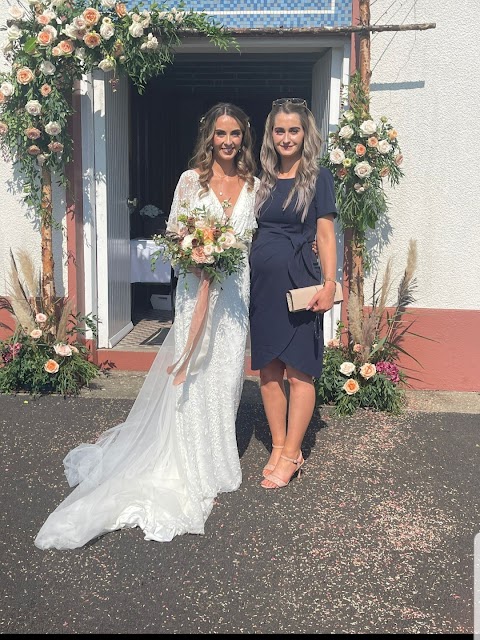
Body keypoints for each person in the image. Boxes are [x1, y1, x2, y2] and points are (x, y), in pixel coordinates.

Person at [34, 103, 259, 549]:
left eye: (235, 134)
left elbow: (252, 238)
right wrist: (198, 257)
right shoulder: (190, 181)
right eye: (220, 133)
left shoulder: (253, 184)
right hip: (196, 288)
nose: (228, 142)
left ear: (243, 138)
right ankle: (188, 466)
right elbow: (175, 233)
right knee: (191, 375)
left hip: (234, 295)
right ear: (209, 137)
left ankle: (216, 462)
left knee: (226, 375)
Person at [249, 97, 337, 489]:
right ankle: (280, 445)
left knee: (300, 372)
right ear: (271, 135)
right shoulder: (262, 180)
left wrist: (330, 285)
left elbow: (325, 234)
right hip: (263, 288)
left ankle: (292, 453)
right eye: (280, 130)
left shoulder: (320, 178)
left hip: (301, 284)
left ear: (306, 134)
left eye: (294, 130)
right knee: (269, 370)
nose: (287, 138)